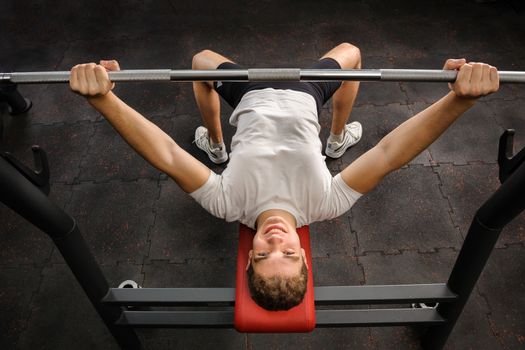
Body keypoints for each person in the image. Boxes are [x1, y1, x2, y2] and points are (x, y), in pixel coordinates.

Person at [69, 43, 499, 311]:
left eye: (262, 256)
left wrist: (104, 99)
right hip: (305, 94)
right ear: (305, 256)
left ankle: (216, 145)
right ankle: (335, 140)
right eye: (289, 255)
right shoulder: (325, 203)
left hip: (248, 95)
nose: (275, 241)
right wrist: (457, 101)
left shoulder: (227, 204)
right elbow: (388, 154)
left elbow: (166, 155)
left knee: (200, 61)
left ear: (248, 256)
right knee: (351, 53)